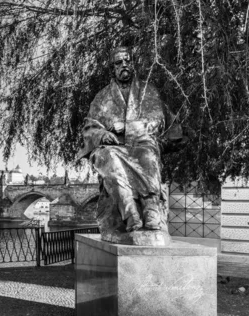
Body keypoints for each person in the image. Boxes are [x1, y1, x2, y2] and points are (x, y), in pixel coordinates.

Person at [77, 47, 186, 233]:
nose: (124, 65)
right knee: (108, 158)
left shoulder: (148, 91)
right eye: (118, 63)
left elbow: (158, 121)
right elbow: (89, 126)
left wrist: (128, 127)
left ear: (133, 64)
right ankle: (130, 214)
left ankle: (151, 208)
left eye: (127, 61)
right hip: (112, 148)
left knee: (147, 155)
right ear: (113, 68)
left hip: (142, 143)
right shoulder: (102, 97)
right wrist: (102, 135)